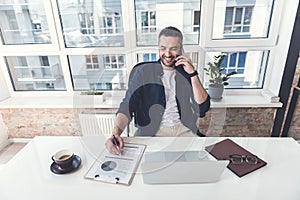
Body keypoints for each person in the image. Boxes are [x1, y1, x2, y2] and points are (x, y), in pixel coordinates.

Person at [106, 26, 210, 154]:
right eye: (163, 48)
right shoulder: (144, 72)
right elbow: (127, 106)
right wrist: (115, 133)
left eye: (173, 49)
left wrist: (193, 74)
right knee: (151, 169)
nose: (167, 54)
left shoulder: (186, 72)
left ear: (181, 49)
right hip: (153, 134)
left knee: (200, 168)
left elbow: (202, 108)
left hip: (184, 131)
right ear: (158, 48)